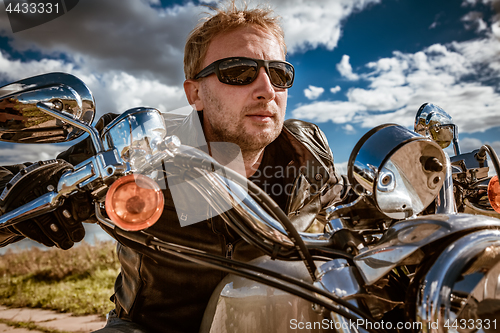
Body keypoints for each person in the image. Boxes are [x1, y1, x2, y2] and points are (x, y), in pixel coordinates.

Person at [0, 1, 344, 332]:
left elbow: (353, 206)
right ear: (194, 94)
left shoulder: (308, 150)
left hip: (281, 320)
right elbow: (13, 183)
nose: (267, 90)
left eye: (279, 73)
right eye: (238, 71)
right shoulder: (135, 142)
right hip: (151, 327)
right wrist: (43, 186)